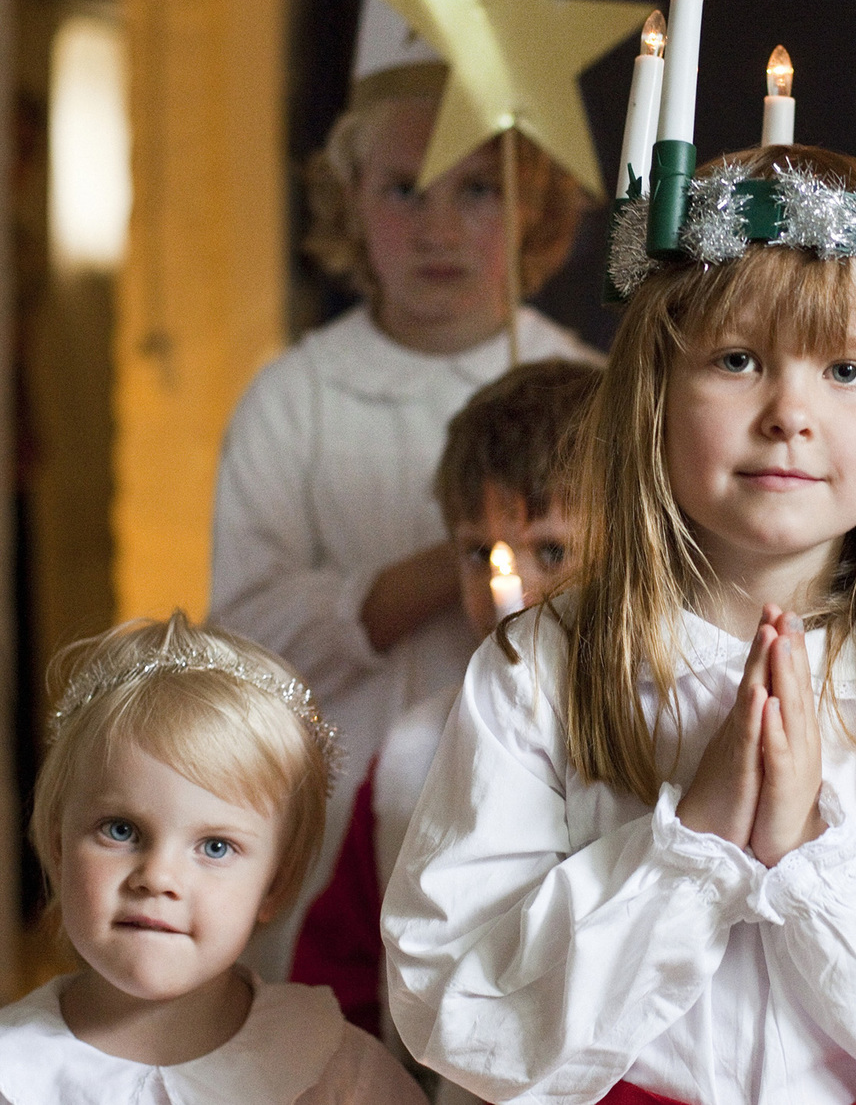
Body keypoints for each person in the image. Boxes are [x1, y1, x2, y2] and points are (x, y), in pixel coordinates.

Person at [381, 147, 856, 1105]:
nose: (789, 413)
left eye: (846, 367)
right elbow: (453, 1006)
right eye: (737, 359)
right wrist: (696, 846)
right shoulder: (541, 668)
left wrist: (811, 855)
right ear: (654, 392)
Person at [211, 84, 604, 978]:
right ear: (350, 196)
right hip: (346, 804)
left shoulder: (587, 386)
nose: (437, 228)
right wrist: (460, 558)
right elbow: (245, 637)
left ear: (531, 203)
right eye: (403, 189)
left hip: (549, 804)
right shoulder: (296, 398)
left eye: (477, 190)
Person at [290, 358, 600, 1071]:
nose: (509, 590)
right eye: (478, 553)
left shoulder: (668, 729)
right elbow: (342, 972)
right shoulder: (410, 756)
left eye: (551, 550)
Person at [0, 613, 427, 1104]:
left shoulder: (335, 1073)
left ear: (274, 886)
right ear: (57, 846)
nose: (158, 877)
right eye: (121, 831)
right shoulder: (13, 1072)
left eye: (215, 847)